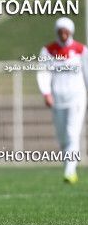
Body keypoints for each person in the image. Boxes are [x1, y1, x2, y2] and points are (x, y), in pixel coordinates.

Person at [37, 17, 88, 184]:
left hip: (77, 98)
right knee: (62, 137)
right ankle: (68, 165)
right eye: (60, 30)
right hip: (57, 99)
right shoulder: (48, 50)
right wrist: (46, 93)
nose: (63, 34)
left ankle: (70, 171)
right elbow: (43, 72)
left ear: (71, 31)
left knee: (73, 133)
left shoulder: (81, 50)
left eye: (66, 30)